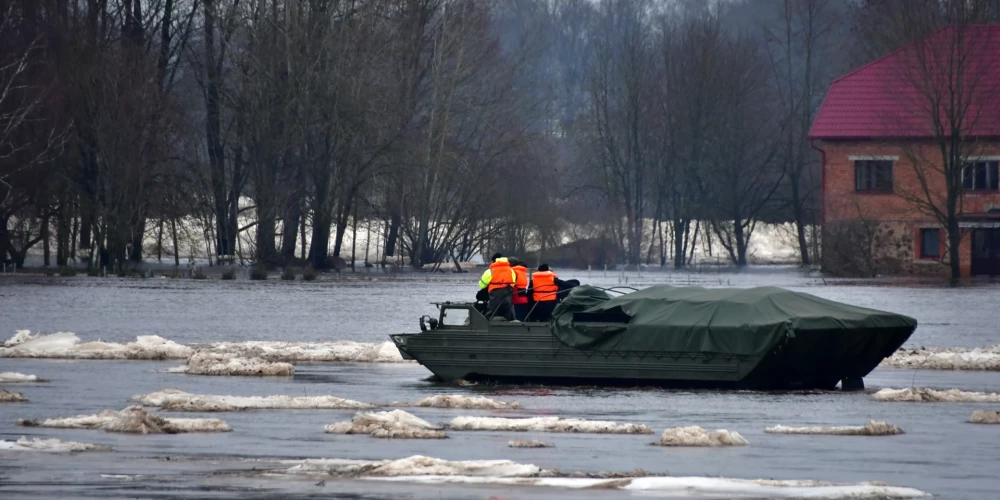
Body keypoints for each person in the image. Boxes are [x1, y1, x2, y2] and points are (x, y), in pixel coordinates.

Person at [478, 253, 516, 320]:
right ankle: (508, 323)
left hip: (495, 293)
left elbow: (482, 284)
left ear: (494, 261)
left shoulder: (490, 271)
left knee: (492, 309)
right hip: (508, 291)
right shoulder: (511, 270)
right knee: (507, 309)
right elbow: (513, 282)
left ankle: (489, 323)